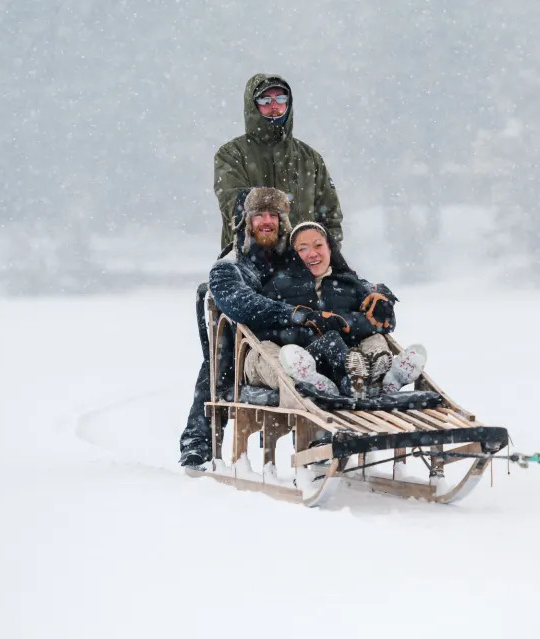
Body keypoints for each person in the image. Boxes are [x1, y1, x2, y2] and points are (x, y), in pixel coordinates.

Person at [243, 220, 428, 399]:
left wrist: (344, 323)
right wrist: (307, 326)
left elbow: (384, 321)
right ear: (293, 254)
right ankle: (305, 381)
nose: (312, 254)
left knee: (375, 338)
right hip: (297, 357)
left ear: (329, 248)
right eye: (303, 249)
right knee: (266, 350)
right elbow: (263, 325)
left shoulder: (349, 284)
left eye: (318, 246)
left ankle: (384, 378)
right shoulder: (277, 286)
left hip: (344, 363)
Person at [178, 186, 294, 469]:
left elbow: (339, 276)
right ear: (247, 222)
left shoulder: (298, 257)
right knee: (215, 365)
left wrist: (377, 294)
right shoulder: (229, 266)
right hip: (242, 356)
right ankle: (197, 443)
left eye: (273, 215)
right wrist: (295, 314)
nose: (267, 221)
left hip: (295, 345)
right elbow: (243, 305)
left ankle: (324, 443)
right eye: (259, 215)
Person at [214, 73, 344, 252]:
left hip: (302, 268)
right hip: (248, 267)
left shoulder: (310, 159)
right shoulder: (230, 154)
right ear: (252, 105)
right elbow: (235, 205)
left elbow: (330, 218)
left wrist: (326, 255)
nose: (274, 105)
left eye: (281, 98)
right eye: (265, 100)